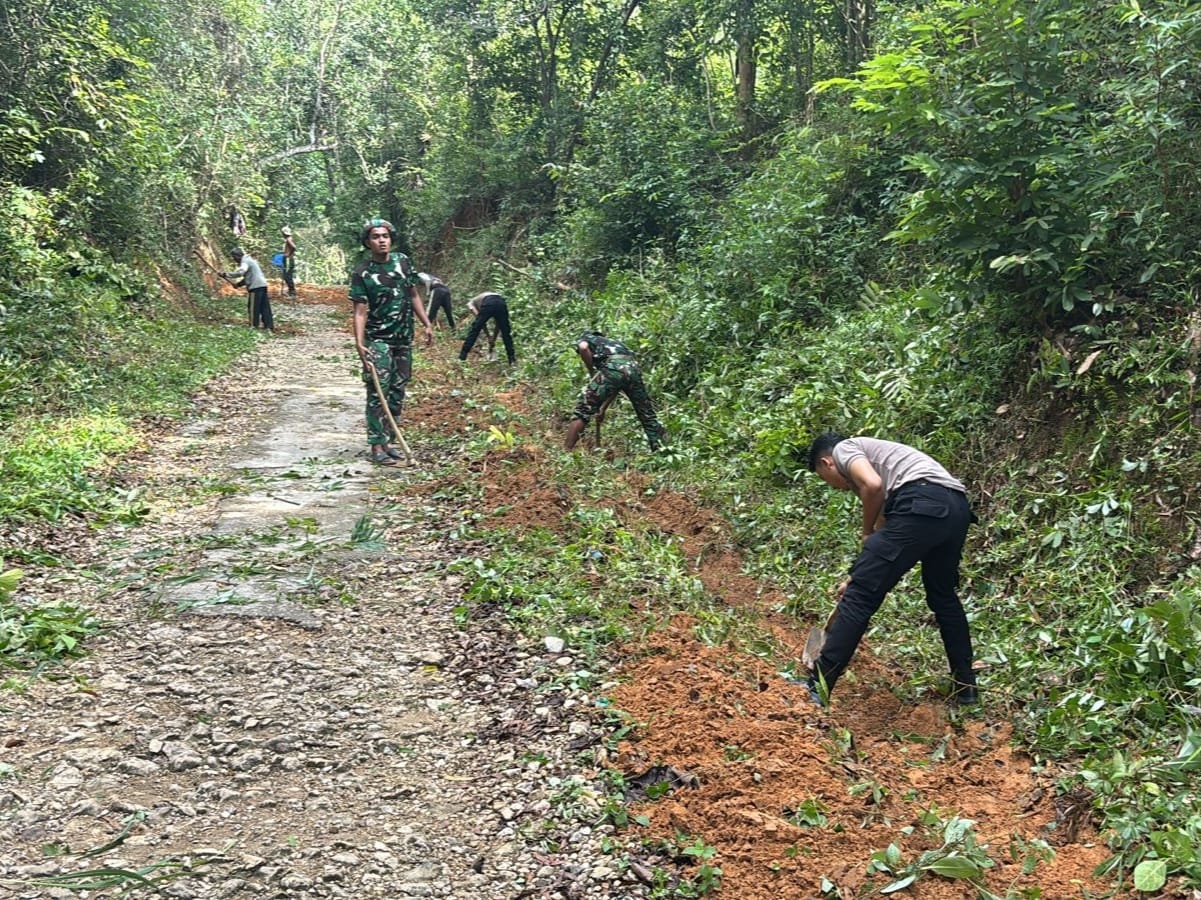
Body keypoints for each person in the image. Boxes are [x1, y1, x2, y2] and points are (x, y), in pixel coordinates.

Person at [804, 432, 979, 707]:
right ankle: (966, 688)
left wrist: (865, 532)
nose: (836, 487)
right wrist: (855, 576)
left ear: (827, 463)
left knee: (860, 599)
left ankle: (817, 688)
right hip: (956, 509)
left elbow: (872, 486)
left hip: (921, 502)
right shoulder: (894, 474)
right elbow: (886, 540)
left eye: (826, 480)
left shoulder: (845, 449)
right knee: (943, 596)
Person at [350, 218, 434, 466]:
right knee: (378, 390)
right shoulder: (362, 272)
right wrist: (359, 343)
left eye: (385, 236)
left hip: (403, 338)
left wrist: (427, 323)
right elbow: (360, 311)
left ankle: (389, 440)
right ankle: (377, 445)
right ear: (368, 242)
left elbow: (413, 293)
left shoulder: (403, 261)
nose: (381, 240)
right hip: (378, 340)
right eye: (376, 237)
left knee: (398, 389)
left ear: (391, 239)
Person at [564, 331, 666, 452]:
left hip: (613, 367)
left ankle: (566, 451)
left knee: (584, 409)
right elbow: (616, 385)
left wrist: (591, 370)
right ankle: (661, 452)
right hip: (633, 368)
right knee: (647, 415)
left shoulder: (586, 338)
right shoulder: (613, 344)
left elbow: (583, 348)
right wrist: (603, 408)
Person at [223, 248, 272, 331]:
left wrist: (226, 274)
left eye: (234, 257)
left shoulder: (245, 261)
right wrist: (238, 284)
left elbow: (240, 273)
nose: (234, 260)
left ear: (237, 256)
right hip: (262, 285)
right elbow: (248, 277)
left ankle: (253, 326)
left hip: (255, 287)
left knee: (253, 307)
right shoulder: (250, 260)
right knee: (264, 307)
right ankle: (269, 326)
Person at [459, 292, 515, 365]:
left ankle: (462, 356)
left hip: (489, 301)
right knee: (506, 331)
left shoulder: (471, 304)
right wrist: (491, 339)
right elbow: (498, 324)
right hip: (501, 302)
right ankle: (512, 359)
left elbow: (480, 323)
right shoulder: (481, 299)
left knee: (475, 329)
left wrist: (492, 338)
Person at [280, 227, 297, 297]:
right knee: (287, 275)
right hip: (288, 259)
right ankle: (291, 291)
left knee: (287, 276)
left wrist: (288, 254)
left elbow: (294, 247)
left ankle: (292, 292)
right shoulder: (289, 239)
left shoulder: (288, 239)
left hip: (288, 260)